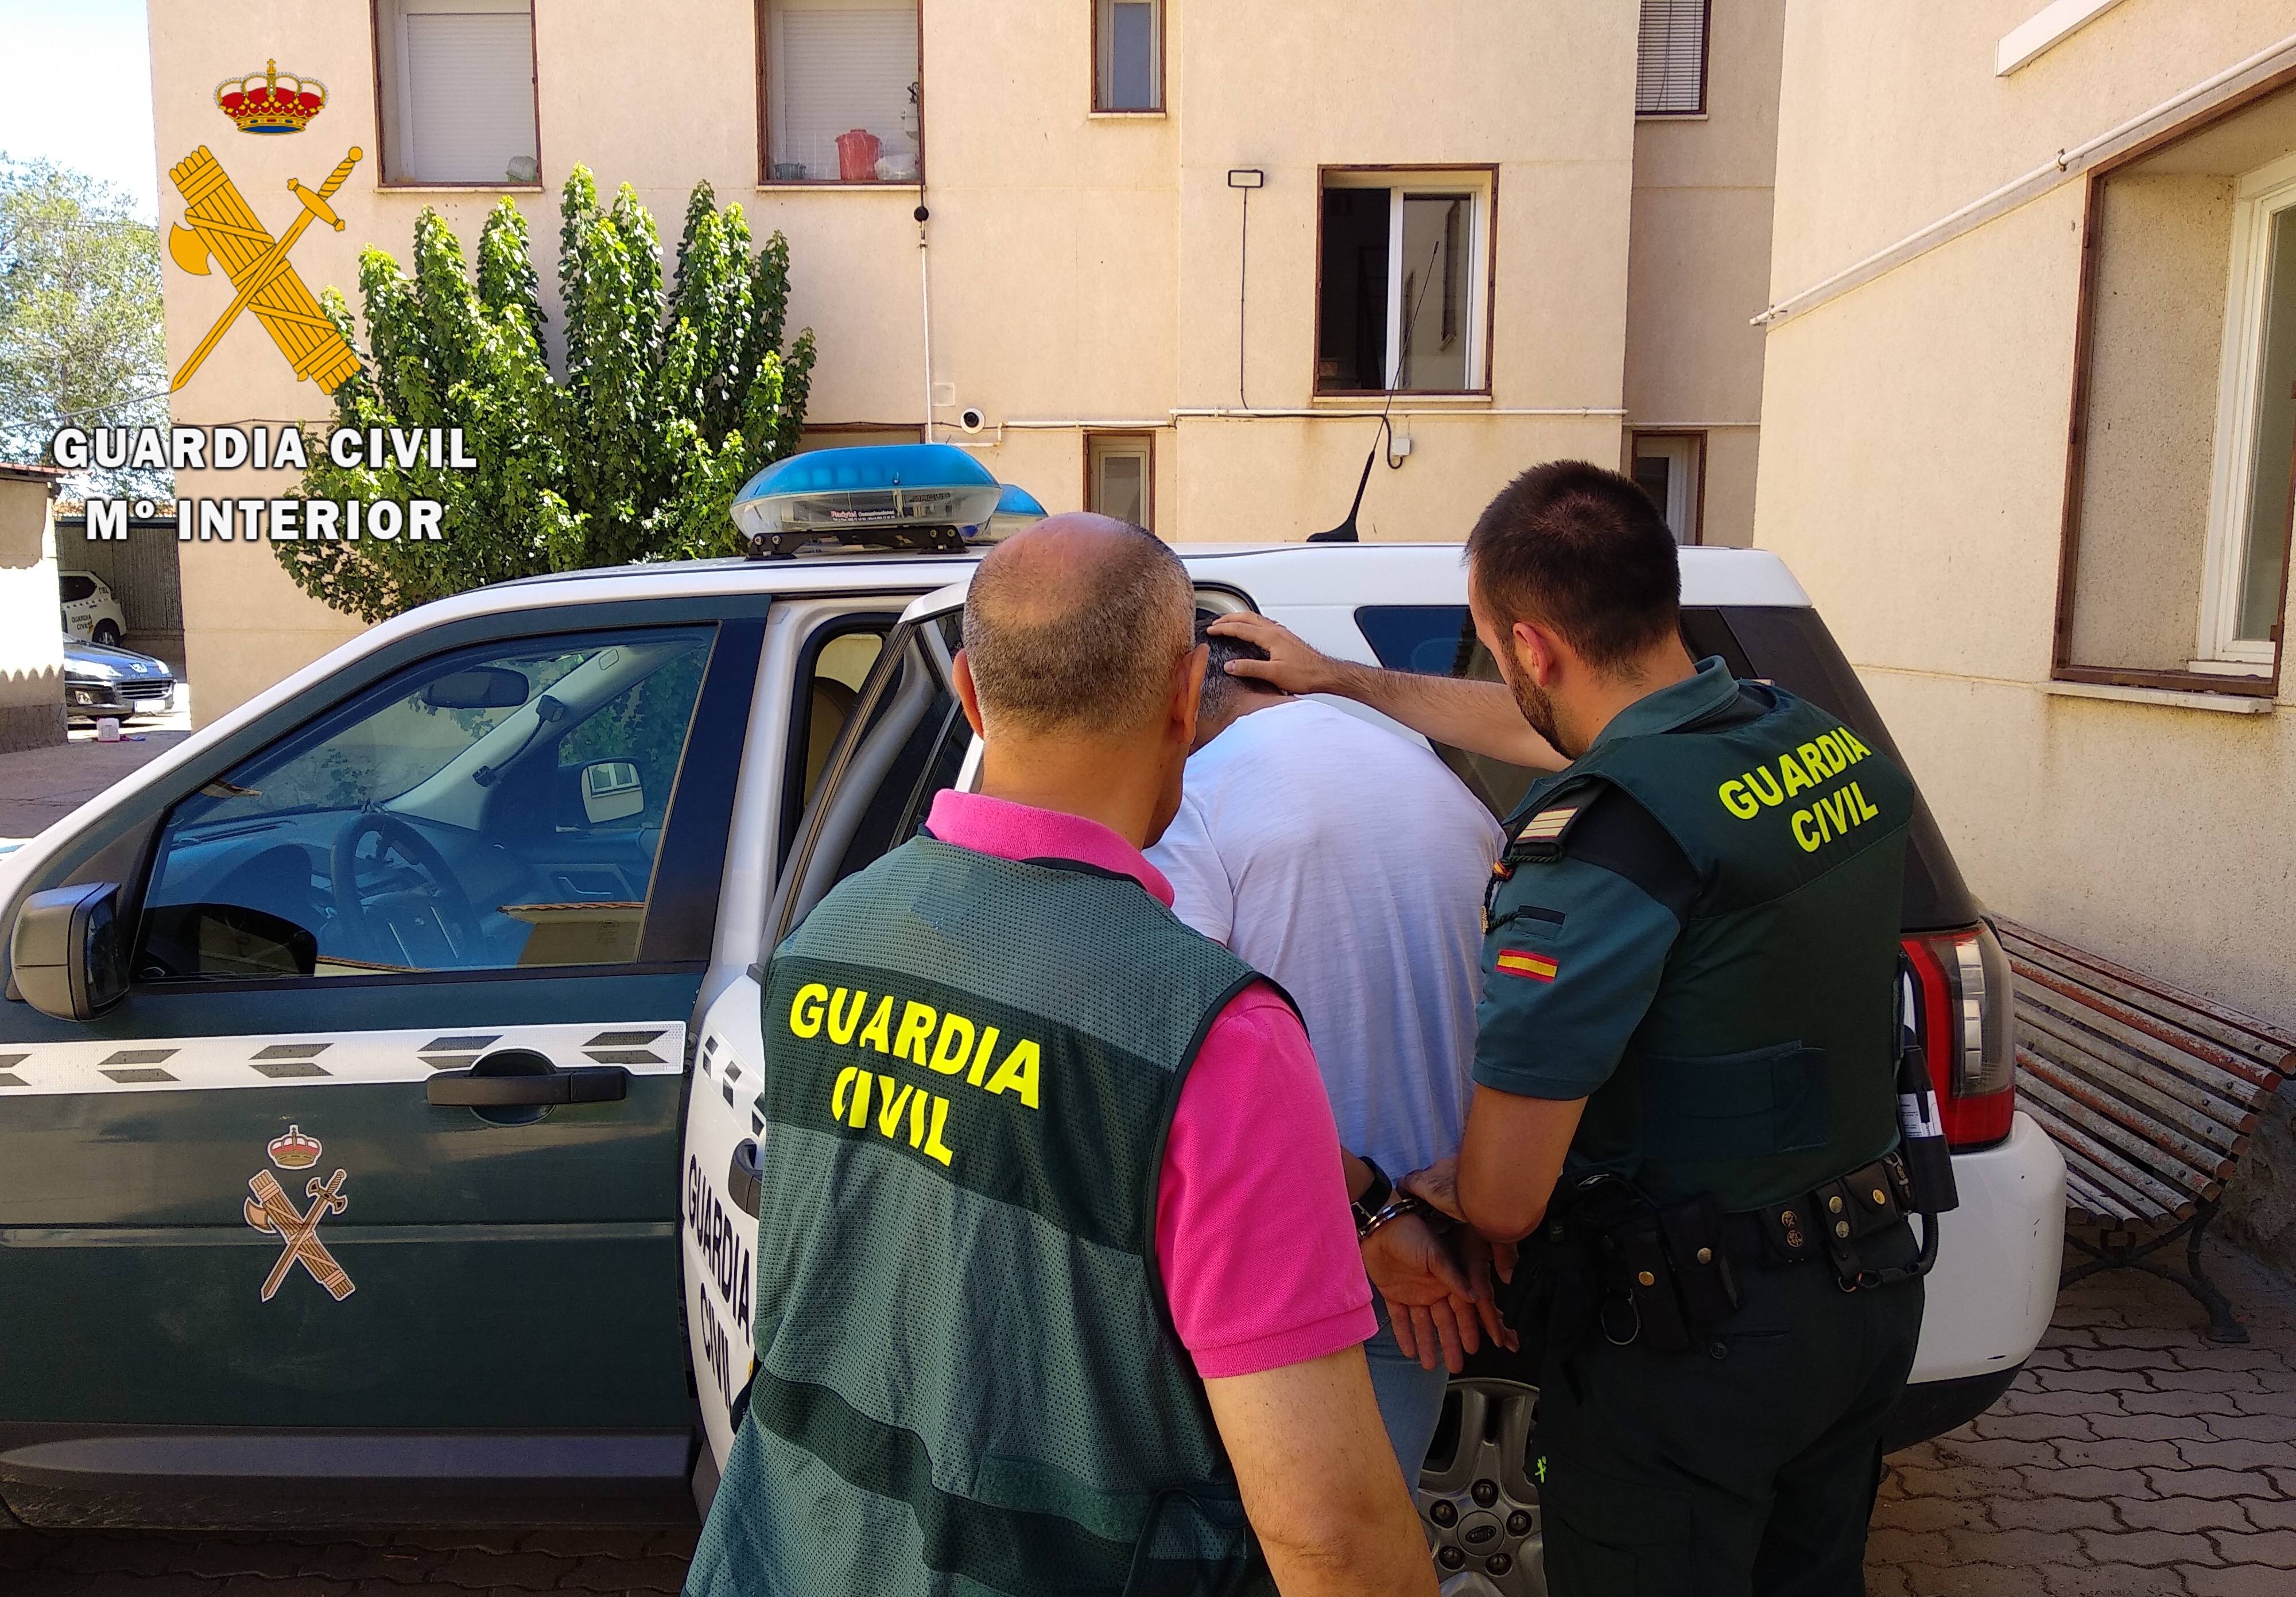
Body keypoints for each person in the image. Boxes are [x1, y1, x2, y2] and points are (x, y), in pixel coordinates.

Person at [684, 515, 1436, 1597]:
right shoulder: (1212, 1036)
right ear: (1187, 696)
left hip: (796, 1556)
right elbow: (1332, 1538)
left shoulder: (832, 937)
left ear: (973, 701)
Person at [1214, 463, 1927, 1597]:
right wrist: (1344, 681)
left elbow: (1504, 1201)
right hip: (1864, 1296)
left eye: (1501, 654)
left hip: (1699, 1345)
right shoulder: (1803, 740)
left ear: (1533, 650)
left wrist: (1416, 1194)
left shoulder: (1591, 858)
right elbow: (1595, 739)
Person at [1145, 617, 1526, 1481]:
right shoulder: (1432, 777)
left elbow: (1182, 1056)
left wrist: (1368, 1216)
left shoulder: (1193, 798)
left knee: (1288, 1549)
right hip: (1447, 1227)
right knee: (1372, 1537)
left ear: (1178, 696)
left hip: (1307, 1241)